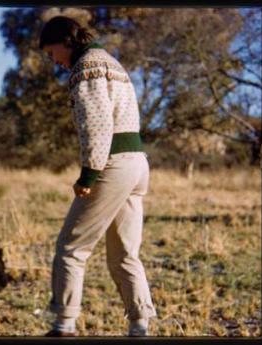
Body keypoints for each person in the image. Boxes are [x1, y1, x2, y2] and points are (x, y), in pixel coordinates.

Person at [39, 16, 157, 337]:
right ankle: (139, 326)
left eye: (52, 54)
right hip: (137, 163)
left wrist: (88, 175)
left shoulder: (86, 67)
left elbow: (98, 126)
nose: (55, 62)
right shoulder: (111, 62)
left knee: (71, 248)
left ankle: (64, 325)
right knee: (124, 254)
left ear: (65, 41)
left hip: (113, 165)